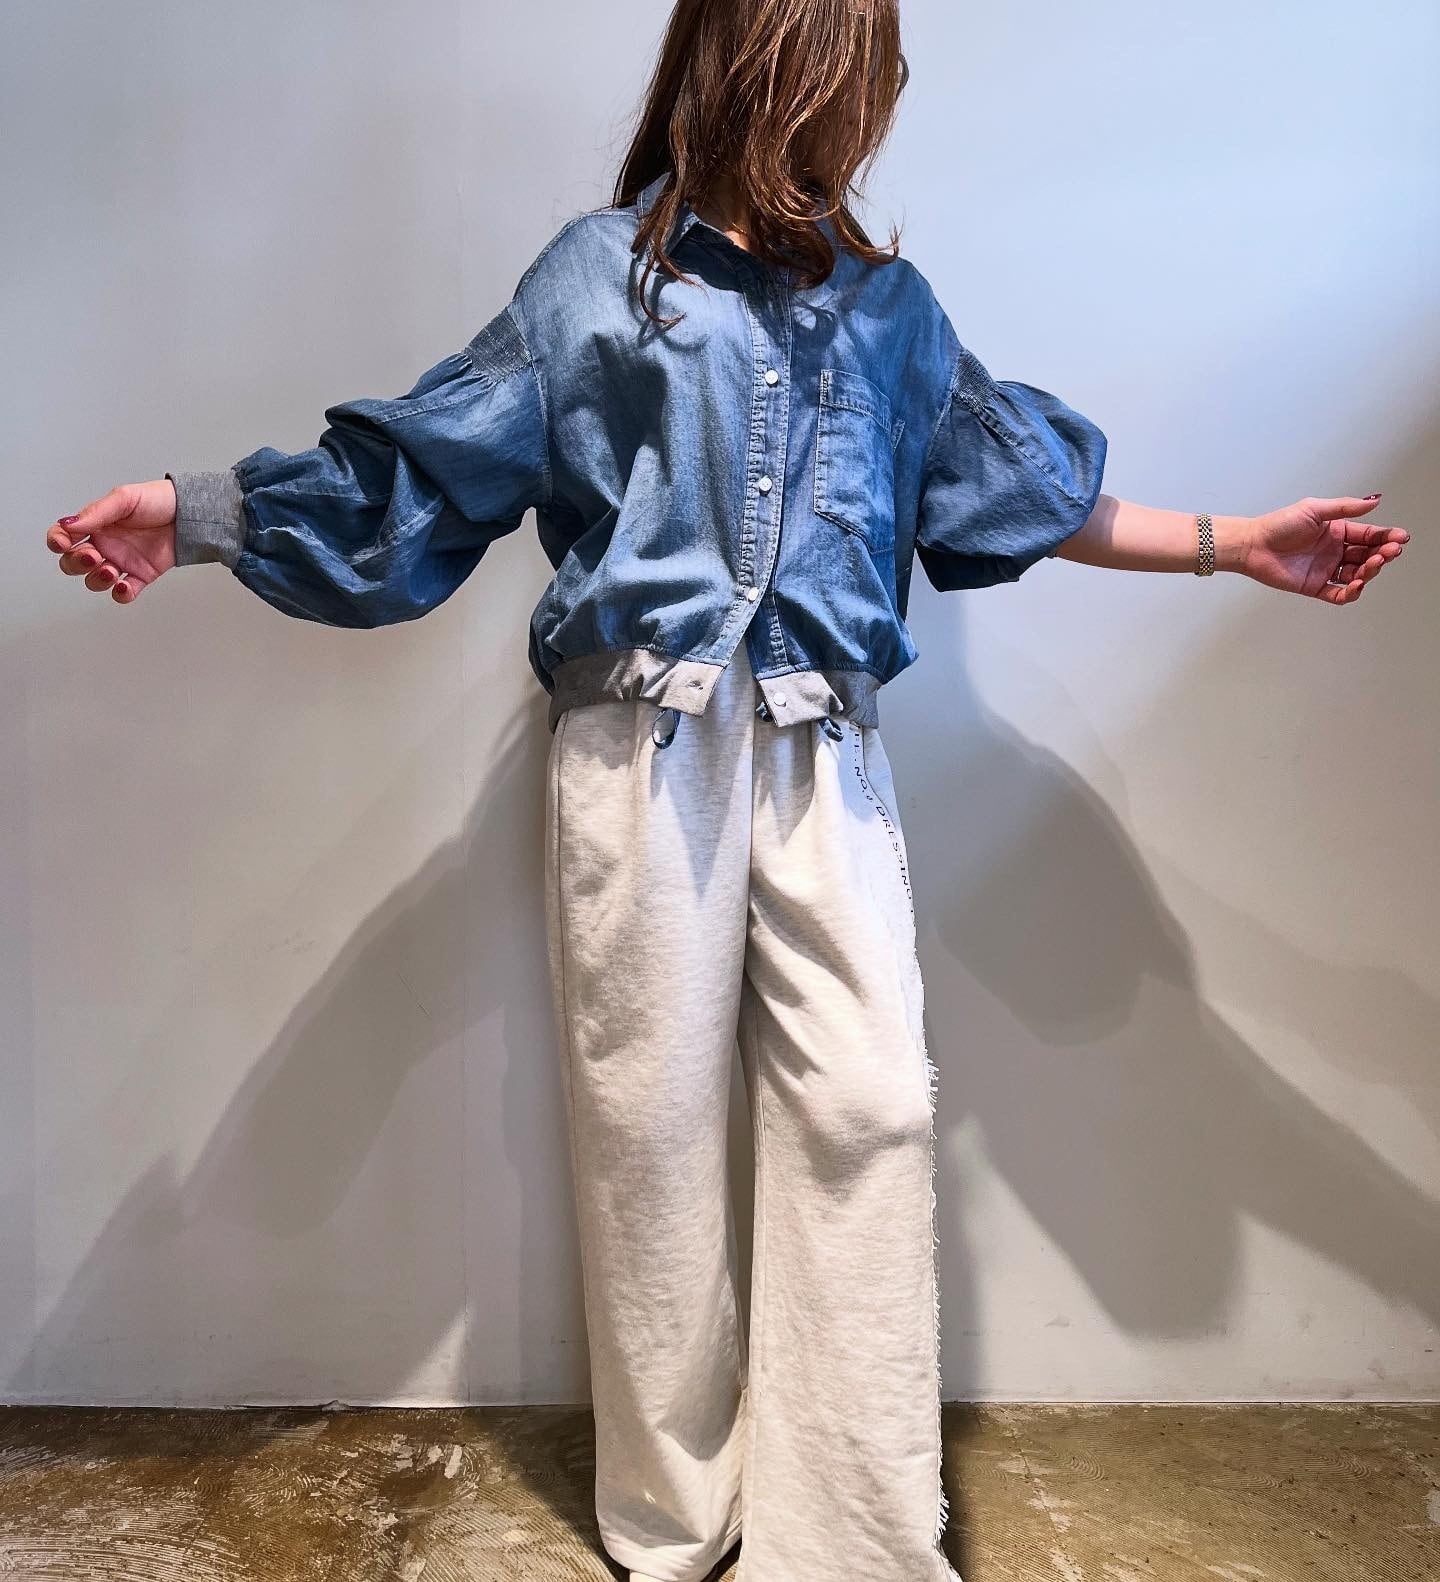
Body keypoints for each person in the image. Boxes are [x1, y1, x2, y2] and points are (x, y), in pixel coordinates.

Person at [43, 1, 1408, 1578]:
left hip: (827, 755)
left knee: (873, 1105)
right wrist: (201, 514)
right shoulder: (594, 283)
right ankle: (674, 1520)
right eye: (850, 66)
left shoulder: (893, 315)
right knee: (651, 1139)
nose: (870, 101)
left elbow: (1017, 485)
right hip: (639, 754)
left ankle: (849, 1538)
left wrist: (1237, 543)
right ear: (773, 66)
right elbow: (415, 472)